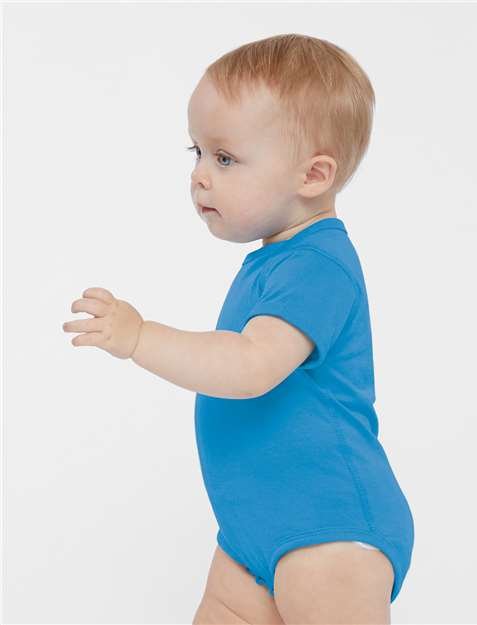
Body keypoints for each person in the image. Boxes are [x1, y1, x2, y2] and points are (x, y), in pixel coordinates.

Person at [62, 33, 414, 625]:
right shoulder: (277, 259)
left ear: (313, 175)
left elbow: (251, 366)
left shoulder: (319, 265)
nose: (200, 176)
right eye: (196, 152)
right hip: (252, 531)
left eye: (224, 159)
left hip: (328, 526)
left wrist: (142, 338)